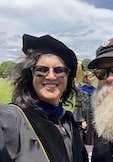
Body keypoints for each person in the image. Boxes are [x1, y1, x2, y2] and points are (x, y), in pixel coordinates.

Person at [0, 34, 88, 162]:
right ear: (31, 76)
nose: (51, 76)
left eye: (59, 70)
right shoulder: (12, 119)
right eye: (42, 69)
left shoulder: (69, 123)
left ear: (68, 78)